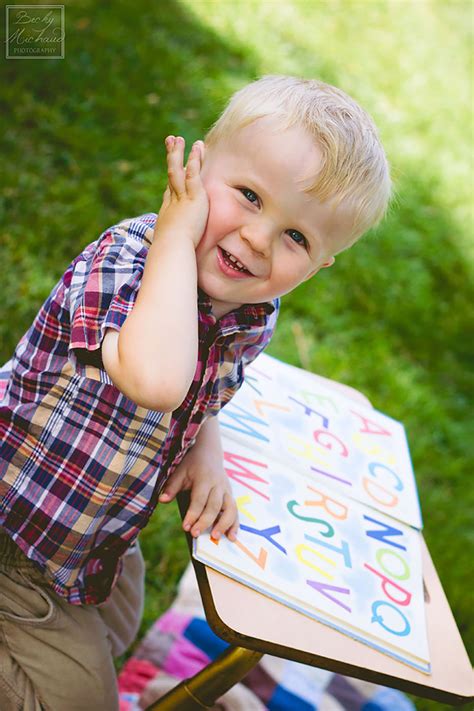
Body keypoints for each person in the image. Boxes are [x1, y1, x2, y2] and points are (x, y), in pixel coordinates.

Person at [0, 75, 391, 710]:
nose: (260, 241)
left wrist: (204, 445)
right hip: (15, 522)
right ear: (199, 165)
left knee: (118, 625)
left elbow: (195, 386)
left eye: (297, 237)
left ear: (320, 266)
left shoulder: (249, 313)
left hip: (88, 528)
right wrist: (177, 237)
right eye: (249, 196)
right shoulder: (127, 264)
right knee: (76, 701)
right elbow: (157, 379)